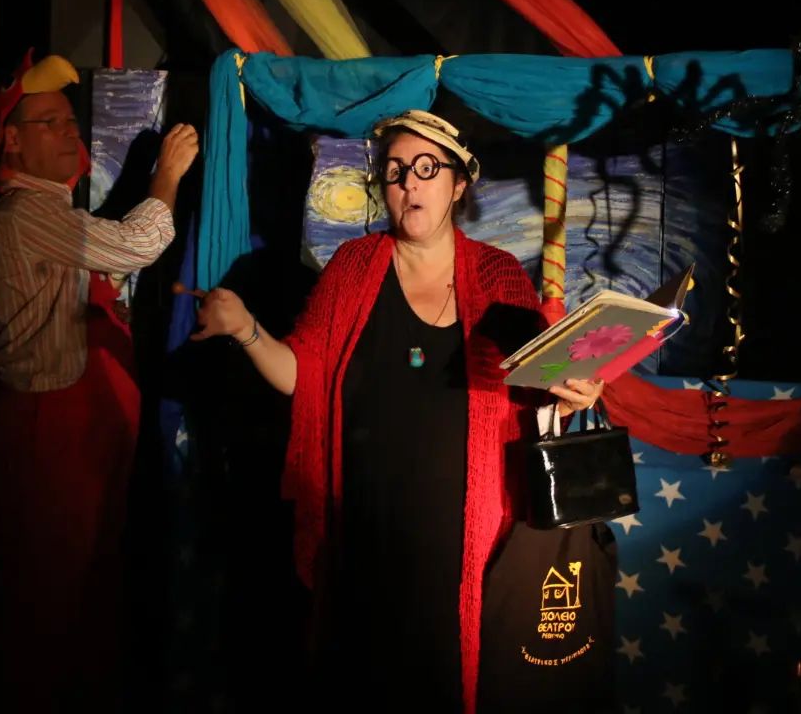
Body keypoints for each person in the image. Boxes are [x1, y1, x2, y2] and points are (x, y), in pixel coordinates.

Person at [186, 110, 606, 712]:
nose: (410, 182)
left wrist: (575, 391)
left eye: (427, 168)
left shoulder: (498, 275)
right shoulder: (353, 266)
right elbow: (302, 374)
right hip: (363, 527)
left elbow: (539, 389)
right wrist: (246, 329)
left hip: (461, 532)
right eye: (395, 170)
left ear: (458, 184)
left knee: (445, 678)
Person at [0, 52, 199, 713]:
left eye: (69, 119)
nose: (68, 130)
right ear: (12, 142)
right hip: (46, 433)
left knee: (87, 591)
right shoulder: (23, 214)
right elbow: (138, 244)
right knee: (50, 599)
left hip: (74, 432)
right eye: (48, 121)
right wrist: (166, 175)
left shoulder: (51, 214)